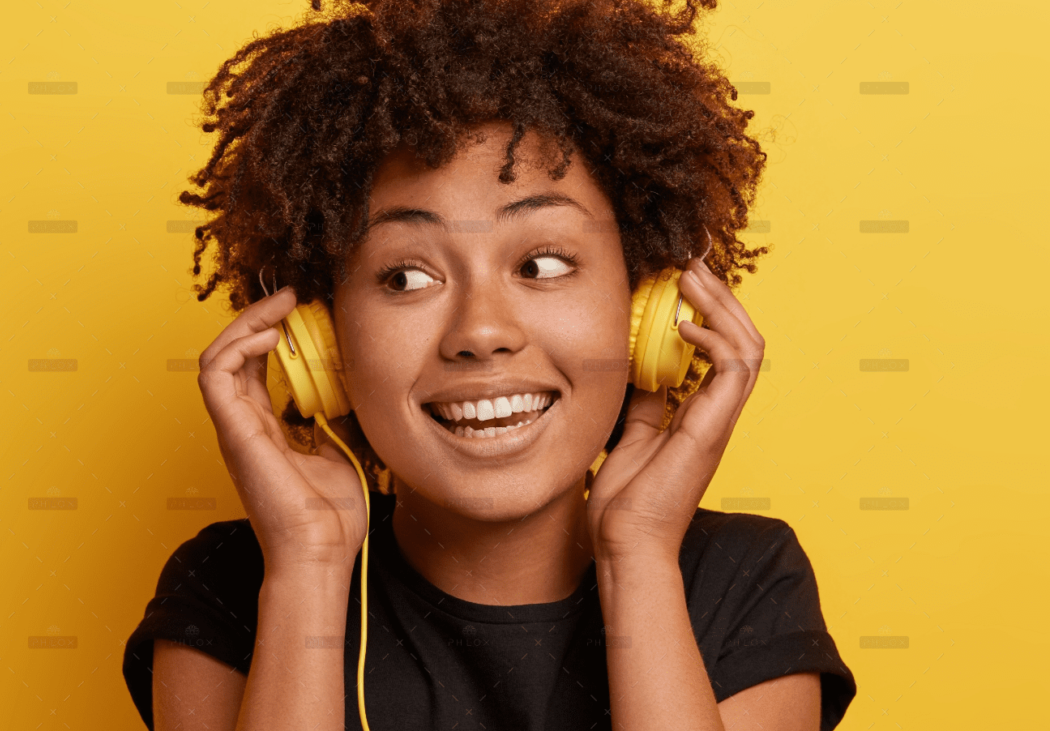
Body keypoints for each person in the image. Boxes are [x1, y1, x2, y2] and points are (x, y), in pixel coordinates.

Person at [123, 0, 856, 729]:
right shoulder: (232, 585)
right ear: (320, 341)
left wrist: (638, 556)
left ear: (647, 313)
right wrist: (308, 568)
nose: (481, 331)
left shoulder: (743, 582)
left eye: (541, 263)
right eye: (405, 277)